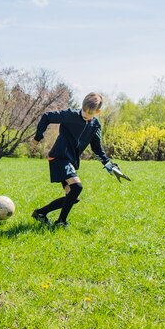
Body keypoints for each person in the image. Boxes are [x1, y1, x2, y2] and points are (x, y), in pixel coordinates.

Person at [31, 92, 113, 228]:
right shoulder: (71, 115)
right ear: (82, 105)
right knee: (77, 187)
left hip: (71, 161)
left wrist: (108, 163)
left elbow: (97, 148)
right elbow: (47, 117)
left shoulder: (95, 125)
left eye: (90, 113)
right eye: (84, 110)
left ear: (98, 112)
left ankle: (40, 213)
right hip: (59, 156)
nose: (85, 114)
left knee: (73, 197)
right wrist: (38, 137)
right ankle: (61, 222)